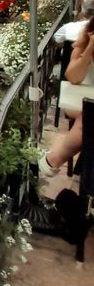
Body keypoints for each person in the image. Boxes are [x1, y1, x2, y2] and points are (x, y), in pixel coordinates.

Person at [40, 15, 94, 175]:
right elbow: (73, 76)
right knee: (88, 116)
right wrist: (90, 47)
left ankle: (54, 160)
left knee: (88, 118)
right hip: (82, 99)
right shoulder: (84, 33)